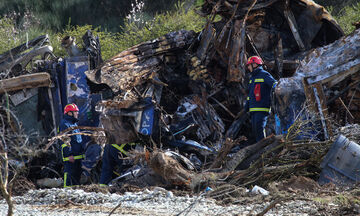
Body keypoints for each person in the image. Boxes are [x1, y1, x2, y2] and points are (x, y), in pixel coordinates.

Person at [245, 56, 277, 142]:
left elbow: (275, 85)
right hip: (253, 109)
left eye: (249, 65)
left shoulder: (264, 75)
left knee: (260, 130)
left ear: (255, 64)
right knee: (255, 131)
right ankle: (260, 150)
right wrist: (247, 106)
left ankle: (264, 151)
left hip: (262, 108)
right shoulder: (252, 78)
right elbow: (250, 94)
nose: (248, 67)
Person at [59, 103, 85, 187]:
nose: (77, 113)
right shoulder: (64, 124)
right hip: (70, 157)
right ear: (70, 113)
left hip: (77, 156)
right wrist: (69, 154)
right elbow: (65, 141)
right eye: (75, 112)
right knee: (69, 175)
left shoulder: (74, 124)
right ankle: (67, 191)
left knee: (76, 177)